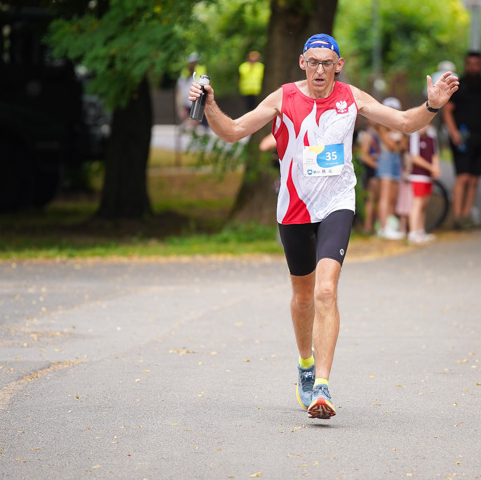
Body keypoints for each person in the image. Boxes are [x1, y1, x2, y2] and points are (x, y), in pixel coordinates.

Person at [188, 33, 459, 420]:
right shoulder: (283, 97)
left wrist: (431, 105)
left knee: (326, 290)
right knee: (302, 298)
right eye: (312, 62)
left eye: (326, 63)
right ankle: (305, 365)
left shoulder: (352, 97)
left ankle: (323, 387)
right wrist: (210, 105)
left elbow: (403, 122)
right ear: (302, 63)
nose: (319, 70)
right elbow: (233, 131)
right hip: (294, 208)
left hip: (336, 202)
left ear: (339, 65)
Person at [442, 51, 481, 230]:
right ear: (466, 65)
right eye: (470, 64)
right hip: (462, 138)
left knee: (473, 179)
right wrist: (453, 132)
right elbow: (447, 110)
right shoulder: (459, 85)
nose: (473, 67)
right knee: (462, 177)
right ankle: (457, 217)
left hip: (479, 137)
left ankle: (466, 215)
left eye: (477, 64)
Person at [376, 97, 408, 240]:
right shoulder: (381, 127)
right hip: (386, 160)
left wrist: (397, 141)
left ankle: (389, 225)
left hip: (396, 161)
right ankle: (383, 227)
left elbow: (402, 147)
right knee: (385, 194)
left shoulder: (399, 127)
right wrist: (397, 141)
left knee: (393, 196)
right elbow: (391, 145)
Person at [406, 124, 441, 244]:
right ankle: (413, 232)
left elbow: (435, 154)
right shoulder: (415, 137)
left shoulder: (431, 137)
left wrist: (435, 167)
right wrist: (431, 167)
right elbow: (414, 158)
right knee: (417, 203)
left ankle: (420, 230)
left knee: (424, 204)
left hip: (427, 176)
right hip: (418, 175)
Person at [357, 123, 382, 234]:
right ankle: (368, 226)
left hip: (376, 171)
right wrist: (377, 166)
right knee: (371, 199)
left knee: (376, 199)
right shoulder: (368, 134)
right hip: (371, 172)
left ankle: (373, 225)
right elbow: (363, 155)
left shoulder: (376, 133)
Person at [176, 53, 206, 130]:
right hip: (188, 107)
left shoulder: (200, 75)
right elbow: (180, 93)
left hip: (198, 107)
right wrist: (180, 108)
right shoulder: (184, 76)